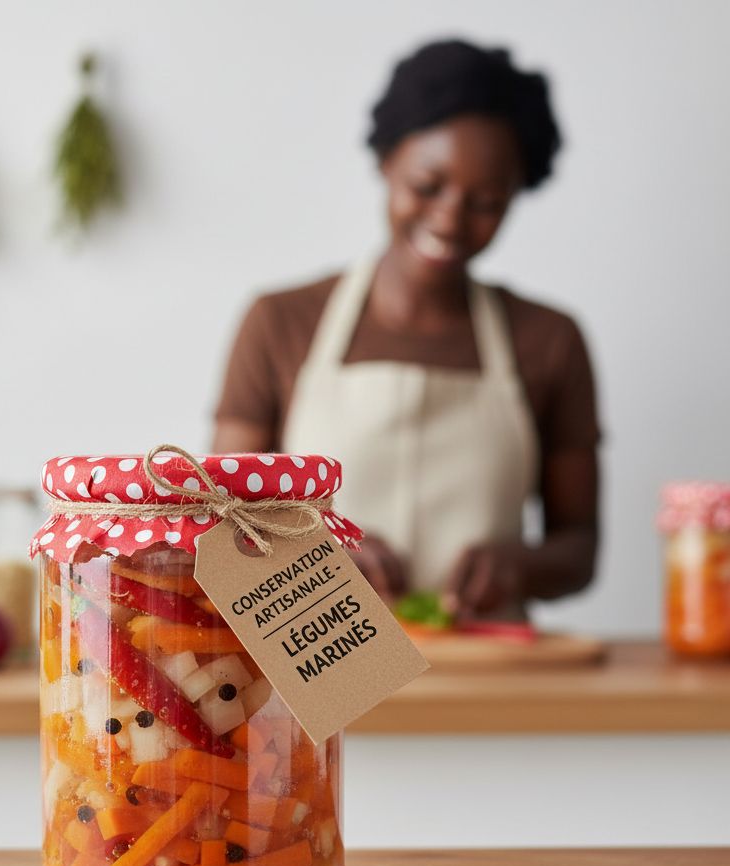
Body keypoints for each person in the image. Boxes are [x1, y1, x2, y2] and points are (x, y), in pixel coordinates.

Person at [213, 39, 601, 619]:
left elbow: (579, 548)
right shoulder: (280, 323)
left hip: (488, 685)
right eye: (427, 186)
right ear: (386, 160)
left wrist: (517, 564)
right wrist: (317, 552)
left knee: (472, 717)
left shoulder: (550, 341)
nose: (449, 218)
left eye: (488, 202)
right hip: (321, 672)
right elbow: (219, 526)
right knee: (347, 716)